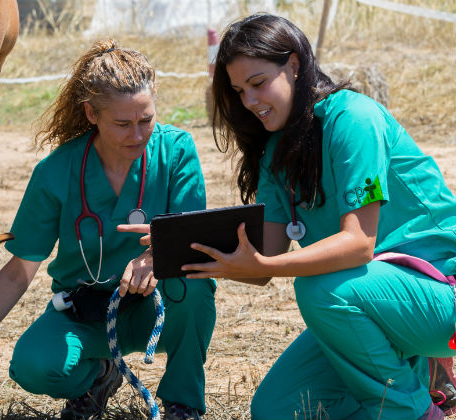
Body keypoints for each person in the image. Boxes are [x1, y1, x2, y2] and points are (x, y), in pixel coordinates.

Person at [123, 13, 456, 420]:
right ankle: (414, 379)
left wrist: (268, 264)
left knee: (321, 290)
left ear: (294, 66)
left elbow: (358, 245)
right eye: (240, 90)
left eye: (258, 83)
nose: (249, 101)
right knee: (277, 409)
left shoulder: (355, 118)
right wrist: (178, 250)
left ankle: (416, 411)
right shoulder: (276, 153)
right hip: (377, 304)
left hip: (444, 298)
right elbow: (265, 259)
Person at [0, 39, 216, 420]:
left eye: (146, 120)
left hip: (156, 307)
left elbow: (192, 239)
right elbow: (17, 273)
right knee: (33, 365)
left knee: (195, 285)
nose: (137, 135)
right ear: (91, 113)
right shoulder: (56, 172)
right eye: (122, 124)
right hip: (86, 313)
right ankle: (99, 375)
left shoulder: (176, 152)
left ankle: (182, 401)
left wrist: (154, 257)